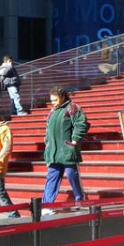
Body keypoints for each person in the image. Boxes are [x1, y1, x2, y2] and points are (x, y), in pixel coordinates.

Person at [41, 87, 89, 215]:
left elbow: (81, 124)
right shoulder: (52, 111)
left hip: (67, 149)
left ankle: (80, 198)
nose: (53, 103)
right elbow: (48, 129)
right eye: (52, 100)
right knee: (52, 177)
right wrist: (47, 142)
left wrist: (74, 140)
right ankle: (47, 205)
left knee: (71, 174)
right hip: (54, 152)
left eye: (55, 100)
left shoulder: (73, 107)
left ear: (62, 97)